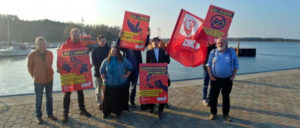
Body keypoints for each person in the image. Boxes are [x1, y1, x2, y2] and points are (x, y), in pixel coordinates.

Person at [58, 28, 91, 123]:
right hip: (69, 75)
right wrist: (59, 68)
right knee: (67, 94)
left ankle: (82, 109)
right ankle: (65, 113)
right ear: (71, 35)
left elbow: (84, 60)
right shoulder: (64, 46)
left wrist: (89, 65)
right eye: (75, 35)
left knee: (80, 93)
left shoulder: (82, 46)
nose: (76, 37)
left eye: (78, 35)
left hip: (79, 74)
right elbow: (60, 59)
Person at [206, 38, 239, 122]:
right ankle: (213, 113)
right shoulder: (213, 52)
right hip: (215, 79)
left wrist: (233, 76)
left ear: (226, 43)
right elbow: (208, 65)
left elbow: (236, 65)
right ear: (216, 44)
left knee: (226, 97)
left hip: (227, 79)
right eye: (219, 42)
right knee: (213, 97)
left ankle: (226, 114)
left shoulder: (231, 52)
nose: (220, 44)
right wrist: (211, 76)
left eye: (222, 42)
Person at [116, 28, 150, 108]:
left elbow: (145, 43)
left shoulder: (137, 46)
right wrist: (120, 36)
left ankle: (132, 101)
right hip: (127, 69)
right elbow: (118, 46)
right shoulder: (125, 46)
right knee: (126, 86)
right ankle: (125, 102)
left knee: (134, 86)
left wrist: (148, 34)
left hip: (136, 68)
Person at [27, 36, 57, 124]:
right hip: (38, 80)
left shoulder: (50, 53)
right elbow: (29, 67)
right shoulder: (32, 55)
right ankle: (38, 116)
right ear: (36, 44)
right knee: (39, 99)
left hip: (49, 79)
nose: (42, 45)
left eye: (44, 43)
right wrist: (34, 76)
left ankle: (50, 113)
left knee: (49, 98)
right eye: (40, 43)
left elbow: (50, 64)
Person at [141, 37, 170, 120]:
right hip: (152, 74)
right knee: (153, 91)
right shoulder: (148, 52)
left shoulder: (163, 51)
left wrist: (167, 54)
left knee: (162, 91)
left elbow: (168, 61)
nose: (156, 43)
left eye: (157, 42)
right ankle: (152, 106)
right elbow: (146, 64)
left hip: (162, 74)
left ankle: (161, 110)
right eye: (154, 42)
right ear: (152, 43)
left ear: (159, 43)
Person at [100, 46, 133, 118]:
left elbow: (130, 67)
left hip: (120, 83)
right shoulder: (106, 61)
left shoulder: (123, 60)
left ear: (118, 52)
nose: (114, 52)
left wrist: (127, 75)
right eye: (112, 51)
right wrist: (103, 78)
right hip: (109, 83)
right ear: (110, 52)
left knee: (118, 98)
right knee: (107, 99)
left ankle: (118, 111)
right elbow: (102, 71)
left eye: (115, 51)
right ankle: (106, 112)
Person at [91, 35, 110, 110]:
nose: (103, 42)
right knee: (98, 89)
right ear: (98, 42)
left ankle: (106, 102)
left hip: (108, 74)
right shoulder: (94, 51)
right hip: (98, 74)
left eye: (104, 40)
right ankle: (99, 103)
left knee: (107, 89)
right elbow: (94, 63)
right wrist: (102, 71)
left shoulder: (109, 49)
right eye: (102, 41)